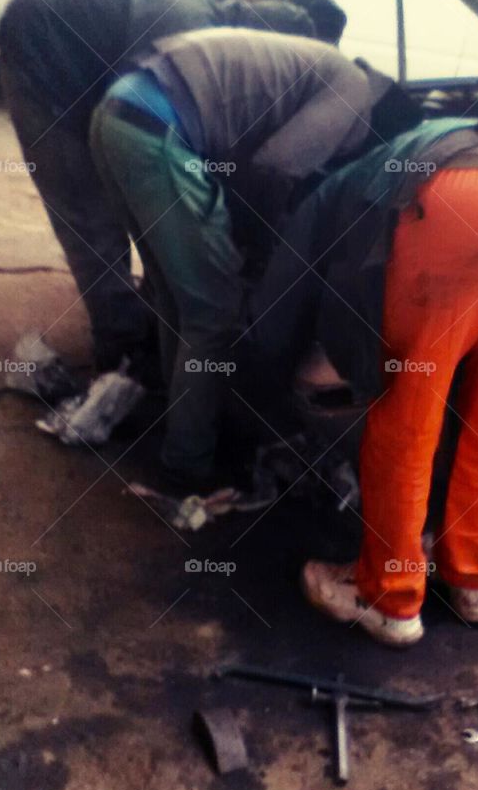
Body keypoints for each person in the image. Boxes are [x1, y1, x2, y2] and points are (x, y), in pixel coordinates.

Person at [249, 116, 478, 647]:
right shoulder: (438, 135)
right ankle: (475, 578)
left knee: (407, 408)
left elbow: (287, 292)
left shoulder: (330, 193)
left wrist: (265, 358)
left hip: (464, 203)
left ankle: (390, 598)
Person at [88, 27, 397, 496]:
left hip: (119, 113)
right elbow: (273, 169)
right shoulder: (353, 94)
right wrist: (258, 255)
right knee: (215, 311)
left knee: (179, 297)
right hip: (158, 130)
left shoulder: (322, 67)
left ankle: (177, 425)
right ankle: (188, 462)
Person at [0, 0, 346, 372]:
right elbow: (136, 135)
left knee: (138, 198)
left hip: (88, 31)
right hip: (44, 48)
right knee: (87, 213)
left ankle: (140, 323)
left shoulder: (226, 12)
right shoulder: (189, 31)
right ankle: (121, 349)